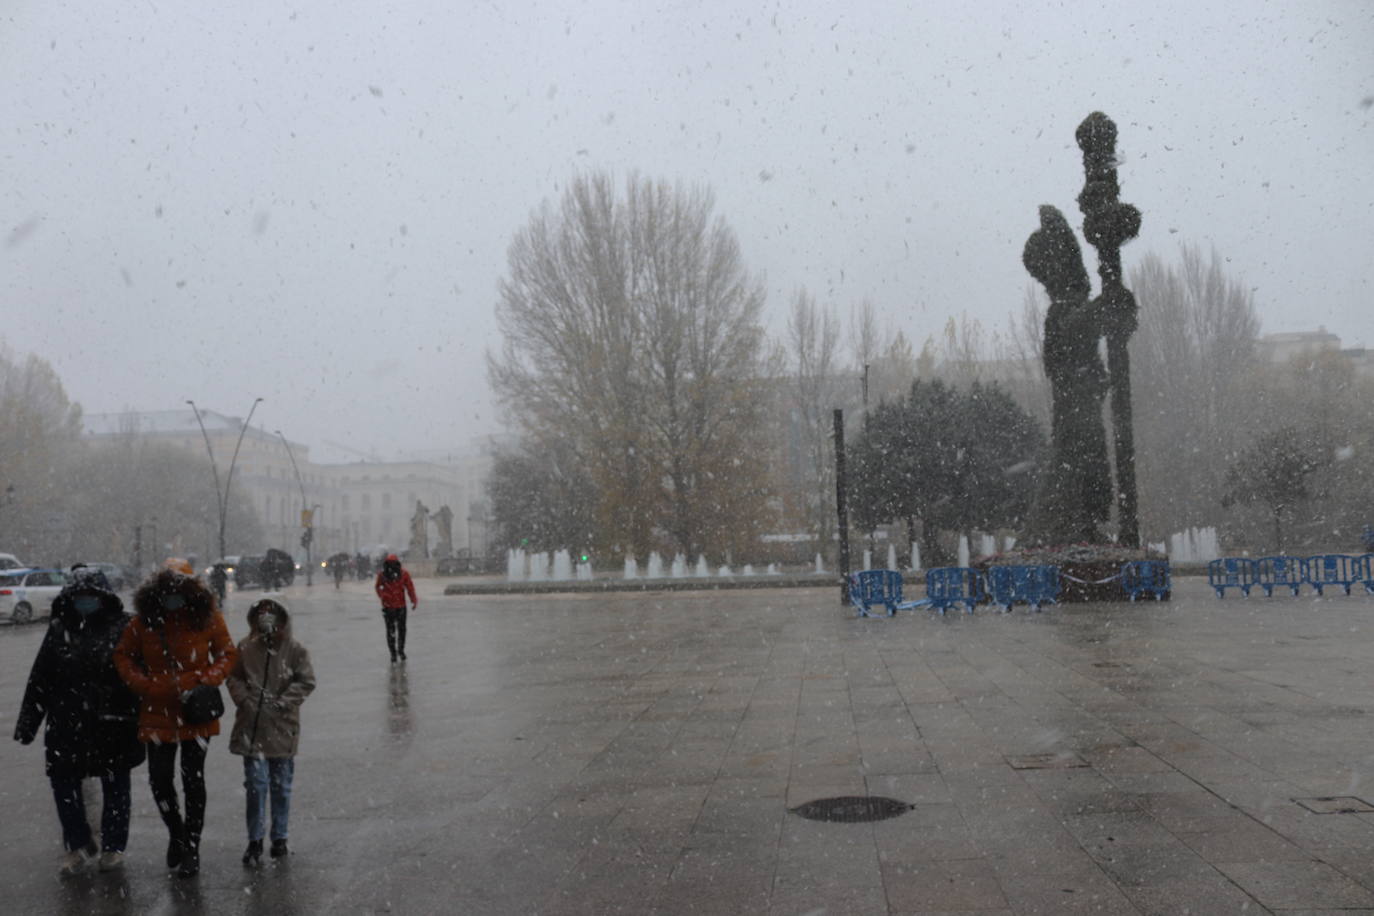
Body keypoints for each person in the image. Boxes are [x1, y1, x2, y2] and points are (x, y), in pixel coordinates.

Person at [14, 566, 145, 876]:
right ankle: (78, 842)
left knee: (116, 787)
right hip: (66, 722)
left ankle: (113, 847)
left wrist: (145, 716)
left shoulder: (124, 627)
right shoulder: (60, 628)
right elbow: (41, 678)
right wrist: (28, 723)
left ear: (103, 597)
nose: (85, 601)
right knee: (63, 784)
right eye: (79, 596)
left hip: (112, 722)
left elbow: (139, 676)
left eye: (91, 595)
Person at [114, 567, 237, 878]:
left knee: (193, 781)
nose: (173, 601)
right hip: (157, 712)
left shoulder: (207, 619)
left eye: (178, 595)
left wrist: (205, 681)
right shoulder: (143, 624)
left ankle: (192, 847)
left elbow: (227, 654)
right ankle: (176, 832)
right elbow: (123, 656)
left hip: (195, 712)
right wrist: (144, 685)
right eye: (167, 595)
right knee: (159, 780)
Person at [226, 599, 316, 866]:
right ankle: (255, 840)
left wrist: (284, 702)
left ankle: (279, 837)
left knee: (281, 786)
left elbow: (306, 680)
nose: (266, 618)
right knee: (255, 786)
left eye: (271, 613)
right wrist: (245, 700)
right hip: (252, 728)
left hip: (282, 727)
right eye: (261, 613)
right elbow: (234, 677)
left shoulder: (295, 650)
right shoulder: (245, 648)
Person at [374, 553, 417, 662]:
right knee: (400, 630)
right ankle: (399, 651)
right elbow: (410, 588)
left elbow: (378, 587)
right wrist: (413, 600)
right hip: (399, 606)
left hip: (390, 607)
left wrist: (382, 596)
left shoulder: (383, 575)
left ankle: (394, 653)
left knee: (391, 631)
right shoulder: (402, 574)